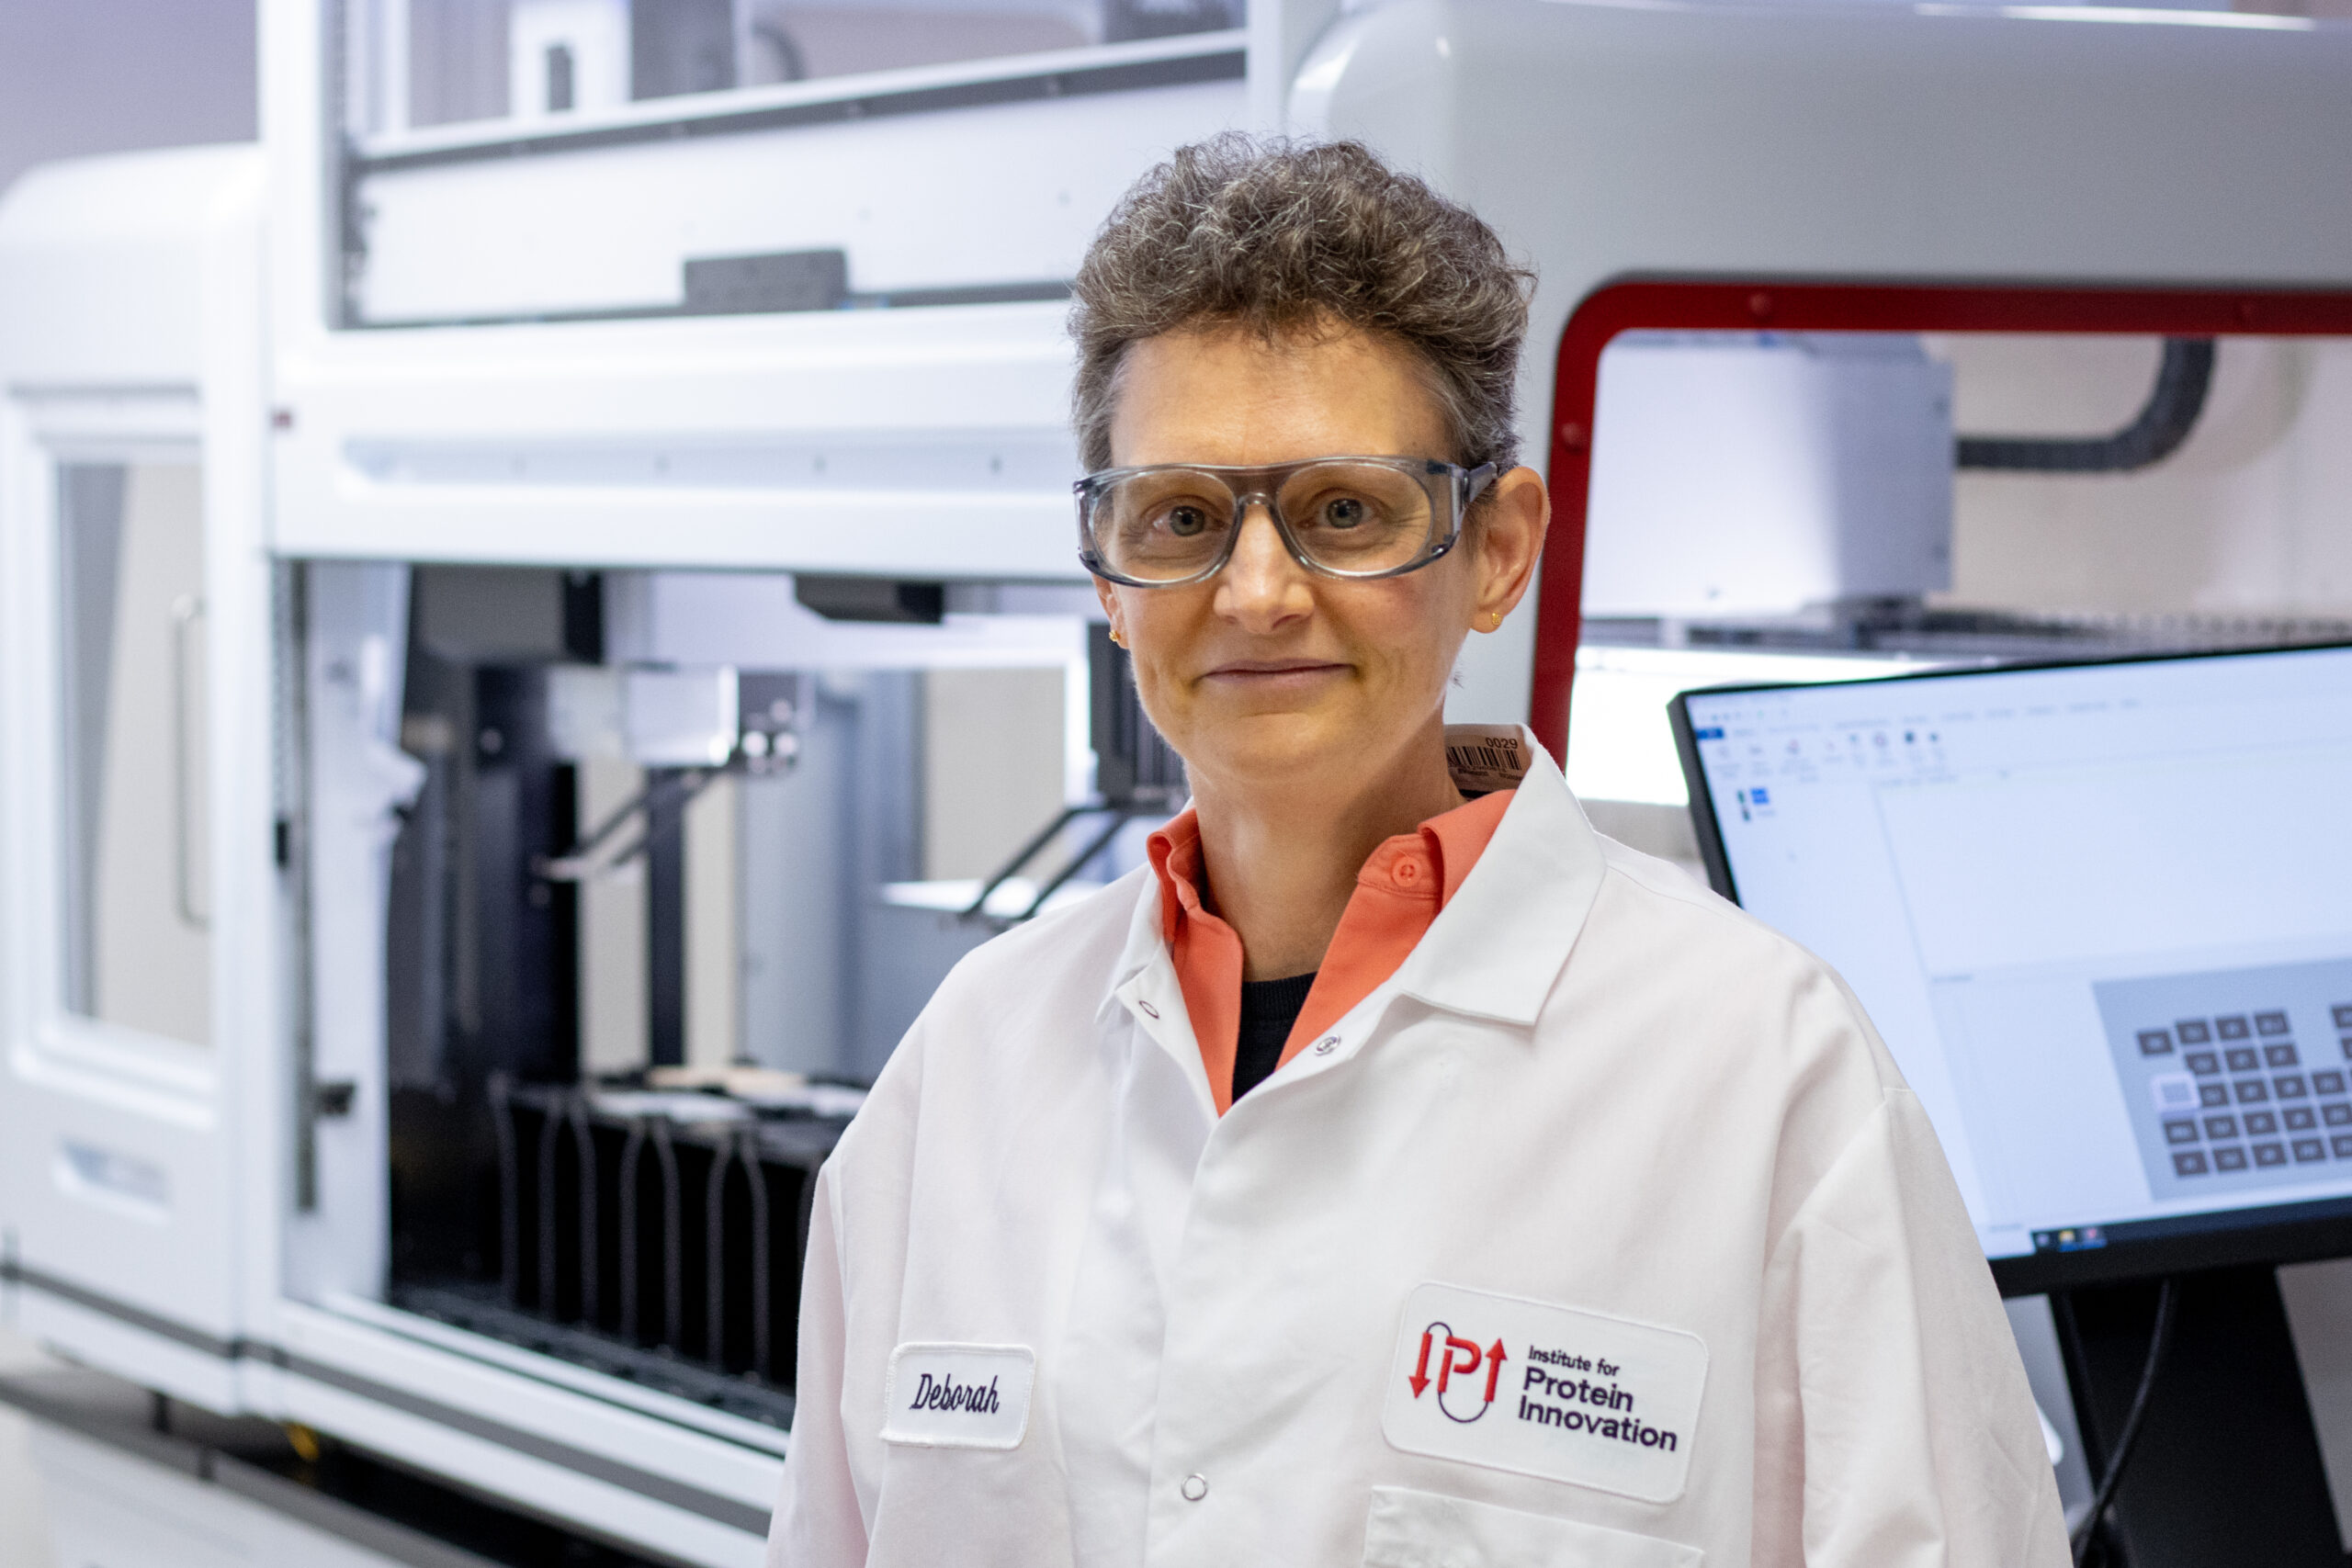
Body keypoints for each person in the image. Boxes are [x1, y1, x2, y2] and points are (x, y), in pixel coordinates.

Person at [769, 135, 2067, 1567]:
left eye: (1345, 513)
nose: (1257, 593)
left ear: (1497, 551)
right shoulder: (969, 1066)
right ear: (1108, 580)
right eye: (1184, 519)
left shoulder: (1769, 1075)